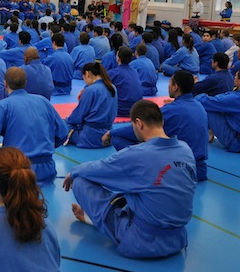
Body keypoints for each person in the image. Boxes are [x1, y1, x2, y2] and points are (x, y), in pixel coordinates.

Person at [63, 100, 197, 259]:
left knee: (80, 181)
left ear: (139, 123)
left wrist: (74, 172)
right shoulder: (186, 150)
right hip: (177, 239)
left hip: (142, 242)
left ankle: (97, 219)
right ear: (161, 122)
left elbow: (99, 168)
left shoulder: (138, 154)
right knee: (145, 191)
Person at [0, 67, 68, 183]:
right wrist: (43, 148)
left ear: (5, 84)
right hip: (47, 169)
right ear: (25, 83)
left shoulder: (3, 106)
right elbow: (62, 133)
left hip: (16, 171)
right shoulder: (44, 101)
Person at [107, 70, 209, 181]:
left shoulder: (171, 110)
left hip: (178, 169)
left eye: (170, 83)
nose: (168, 86)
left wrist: (111, 132)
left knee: (118, 138)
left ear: (175, 87)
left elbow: (137, 130)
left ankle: (140, 168)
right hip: (200, 169)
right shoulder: (199, 106)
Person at [65, 63, 117, 148]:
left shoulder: (91, 90)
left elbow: (77, 117)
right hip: (107, 135)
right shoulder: (112, 88)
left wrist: (67, 120)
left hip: (89, 137)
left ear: (87, 74)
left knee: (62, 125)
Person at [196, 69, 240, 152]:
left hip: (235, 143)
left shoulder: (235, 98)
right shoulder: (234, 95)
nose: (234, 78)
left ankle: (203, 133)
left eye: (236, 77)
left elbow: (204, 101)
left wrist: (195, 86)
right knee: (219, 107)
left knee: (209, 108)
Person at [107, 46, 143, 116]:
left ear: (118, 58)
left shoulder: (113, 73)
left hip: (121, 109)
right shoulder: (134, 71)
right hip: (137, 108)